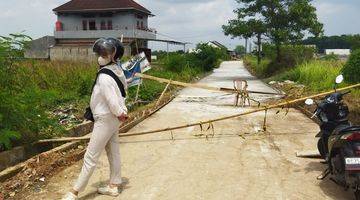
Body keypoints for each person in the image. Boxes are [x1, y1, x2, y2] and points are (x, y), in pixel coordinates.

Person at [62, 38, 128, 200]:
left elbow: (112, 100)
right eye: (100, 53)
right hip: (112, 119)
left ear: (113, 56)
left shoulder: (104, 77)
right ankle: (114, 185)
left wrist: (120, 113)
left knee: (91, 156)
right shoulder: (117, 71)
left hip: (106, 118)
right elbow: (123, 92)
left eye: (104, 53)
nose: (100, 56)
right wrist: (121, 113)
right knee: (113, 151)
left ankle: (74, 191)